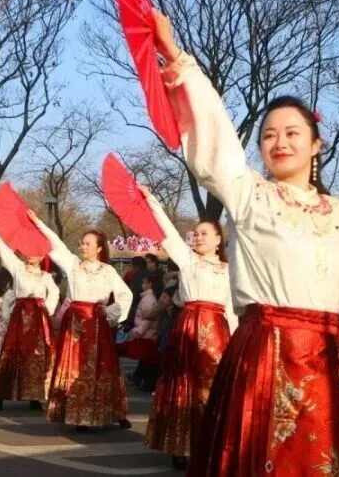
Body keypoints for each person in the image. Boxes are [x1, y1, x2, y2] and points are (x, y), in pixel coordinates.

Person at [151, 10, 339, 477]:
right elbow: (215, 141)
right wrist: (176, 58)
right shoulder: (251, 196)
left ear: (316, 145)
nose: (280, 142)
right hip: (264, 355)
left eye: (292, 133)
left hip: (325, 362)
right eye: (269, 135)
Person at [140, 186, 235, 471]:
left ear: (218, 239)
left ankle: (211, 442)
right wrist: (152, 201)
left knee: (212, 390)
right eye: (196, 233)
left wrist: (236, 343)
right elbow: (168, 234)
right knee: (183, 385)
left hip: (218, 334)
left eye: (205, 233)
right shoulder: (188, 261)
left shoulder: (230, 271)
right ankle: (181, 445)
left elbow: (232, 310)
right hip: (189, 330)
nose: (199, 237)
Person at [29, 214, 132, 431]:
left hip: (98, 324)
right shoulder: (73, 265)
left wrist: (109, 312)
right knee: (75, 366)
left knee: (103, 367)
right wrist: (38, 223)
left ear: (99, 248)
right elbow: (56, 245)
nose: (83, 247)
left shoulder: (109, 271)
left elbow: (126, 295)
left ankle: (113, 411)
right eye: (82, 243)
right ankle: (77, 412)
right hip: (75, 325)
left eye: (88, 244)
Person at [0, 219, 59, 412]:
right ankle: (1, 395)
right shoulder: (18, 269)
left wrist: (47, 309)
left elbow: (55, 293)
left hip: (39, 320)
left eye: (36, 251)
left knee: (36, 356)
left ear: (42, 256)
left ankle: (34, 395)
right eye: (29, 250)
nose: (31, 254)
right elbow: (4, 251)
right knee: (11, 354)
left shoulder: (47, 277)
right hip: (20, 318)